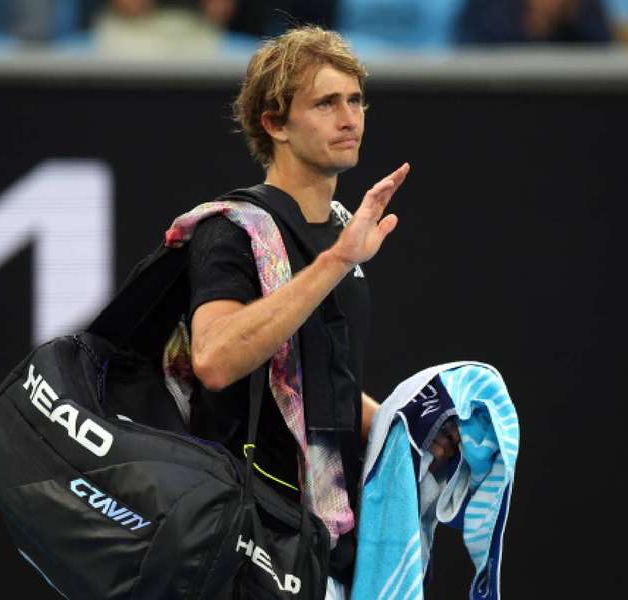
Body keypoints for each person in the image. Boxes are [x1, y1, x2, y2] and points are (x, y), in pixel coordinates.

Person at [180, 26, 460, 599]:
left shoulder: (338, 230)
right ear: (274, 123)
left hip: (321, 544)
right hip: (242, 546)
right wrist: (336, 261)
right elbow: (213, 360)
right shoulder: (230, 231)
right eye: (326, 102)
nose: (349, 117)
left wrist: (404, 431)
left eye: (355, 100)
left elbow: (314, 378)